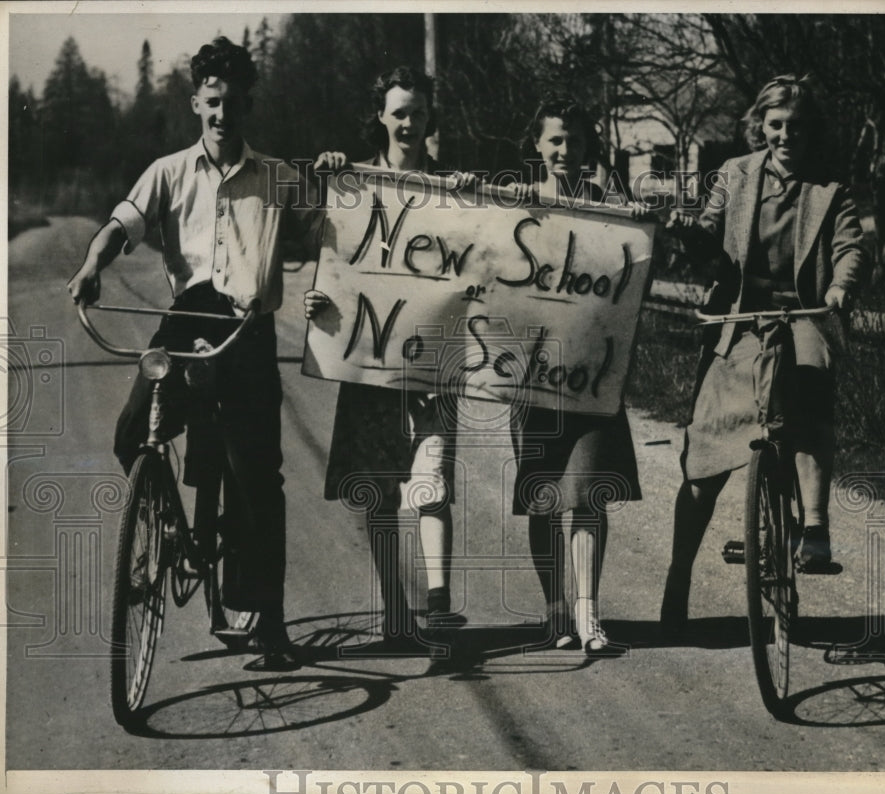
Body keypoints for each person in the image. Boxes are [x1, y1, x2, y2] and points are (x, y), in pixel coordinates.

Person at [68, 37, 324, 671]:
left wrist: (331, 190)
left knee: (258, 479)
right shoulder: (168, 171)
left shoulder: (278, 176)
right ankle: (164, 529)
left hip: (247, 333)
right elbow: (121, 224)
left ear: (247, 106)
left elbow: (333, 231)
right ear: (195, 103)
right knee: (133, 432)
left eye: (233, 104)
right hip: (186, 325)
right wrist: (92, 265)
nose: (221, 115)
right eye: (212, 103)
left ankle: (269, 620)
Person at [661, 74, 870, 637]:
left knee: (809, 384)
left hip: (803, 315)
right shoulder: (735, 175)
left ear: (811, 131)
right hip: (740, 322)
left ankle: (816, 528)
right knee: (703, 461)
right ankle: (678, 577)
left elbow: (851, 247)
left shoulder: (831, 190)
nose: (785, 135)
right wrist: (687, 235)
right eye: (776, 125)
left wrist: (840, 288)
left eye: (796, 126)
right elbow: (709, 236)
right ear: (761, 126)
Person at [304, 66, 471, 645]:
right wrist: (319, 296)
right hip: (369, 359)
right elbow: (321, 251)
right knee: (376, 486)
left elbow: (477, 265)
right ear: (380, 116)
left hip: (431, 363)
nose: (408, 122)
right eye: (398, 111)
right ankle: (397, 611)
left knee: (433, 479)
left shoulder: (451, 189)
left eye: (418, 112)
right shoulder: (352, 185)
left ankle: (440, 604)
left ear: (430, 120)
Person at [507, 97, 654, 654]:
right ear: (538, 147)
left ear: (590, 145)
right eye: (555, 141)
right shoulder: (519, 206)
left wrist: (641, 230)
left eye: (575, 140)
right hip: (531, 374)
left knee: (589, 492)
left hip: (593, 374)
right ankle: (556, 612)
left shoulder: (609, 210)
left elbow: (632, 284)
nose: (566, 151)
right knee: (544, 495)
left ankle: (590, 615)